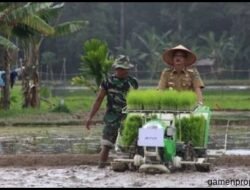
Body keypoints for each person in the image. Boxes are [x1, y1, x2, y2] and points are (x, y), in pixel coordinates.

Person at [85, 55, 139, 168]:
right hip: (112, 117)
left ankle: (130, 165)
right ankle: (101, 166)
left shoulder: (132, 82)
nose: (121, 71)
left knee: (130, 144)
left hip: (128, 118)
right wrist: (90, 117)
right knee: (106, 145)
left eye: (124, 69)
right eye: (119, 68)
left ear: (128, 69)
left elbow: (137, 101)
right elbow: (99, 99)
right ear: (115, 69)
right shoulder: (108, 81)